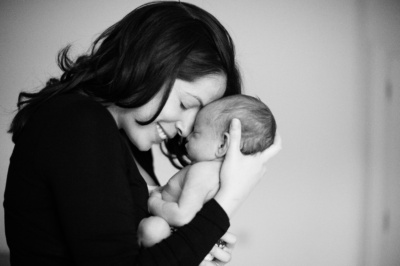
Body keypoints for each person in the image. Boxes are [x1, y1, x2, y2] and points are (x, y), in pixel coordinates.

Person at [4, 1, 281, 266]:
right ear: (148, 65)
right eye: (185, 104)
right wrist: (228, 200)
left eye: (197, 118)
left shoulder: (128, 143)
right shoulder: (79, 122)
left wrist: (193, 248)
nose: (185, 130)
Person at [138, 94, 277, 252]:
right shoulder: (218, 175)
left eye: (196, 132)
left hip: (174, 231)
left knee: (152, 228)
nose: (187, 136)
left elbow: (181, 216)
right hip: (189, 238)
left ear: (222, 145)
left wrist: (153, 201)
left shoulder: (202, 172)